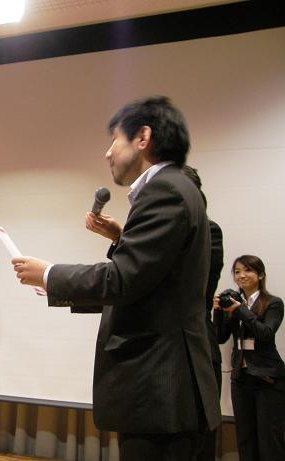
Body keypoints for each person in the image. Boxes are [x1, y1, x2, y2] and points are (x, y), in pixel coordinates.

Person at [12, 96, 220, 460]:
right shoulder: (178, 188)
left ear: (142, 138)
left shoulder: (165, 190)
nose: (108, 152)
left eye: (114, 140)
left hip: (159, 389)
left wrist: (50, 273)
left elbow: (124, 279)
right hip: (165, 392)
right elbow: (152, 285)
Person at [84, 164, 225, 460]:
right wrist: (120, 238)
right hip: (151, 372)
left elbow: (151, 285)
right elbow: (140, 283)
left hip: (176, 365)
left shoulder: (206, 231)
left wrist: (51, 276)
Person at [213, 255, 285, 461]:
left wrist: (240, 310)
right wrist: (219, 312)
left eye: (247, 270)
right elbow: (219, 337)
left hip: (267, 379)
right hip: (241, 378)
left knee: (269, 440)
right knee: (245, 438)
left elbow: (265, 333)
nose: (241, 276)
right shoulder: (232, 303)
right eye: (237, 272)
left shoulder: (273, 303)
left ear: (260, 275)